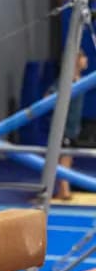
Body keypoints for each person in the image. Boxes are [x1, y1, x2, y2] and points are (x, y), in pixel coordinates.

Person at [50, 50, 90, 200]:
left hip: (74, 127)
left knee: (68, 158)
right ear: (75, 61)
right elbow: (48, 97)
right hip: (64, 127)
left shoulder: (79, 79)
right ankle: (63, 190)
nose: (87, 60)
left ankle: (63, 188)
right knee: (64, 158)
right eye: (84, 57)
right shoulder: (65, 81)